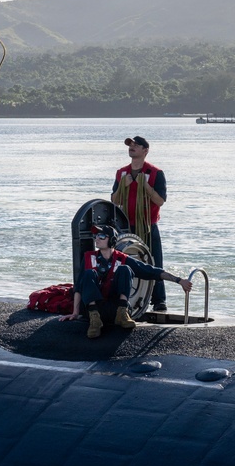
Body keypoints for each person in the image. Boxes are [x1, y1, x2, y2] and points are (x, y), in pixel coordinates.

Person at [59, 224, 191, 338]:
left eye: (102, 236)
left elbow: (151, 271)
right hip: (95, 309)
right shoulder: (89, 257)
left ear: (112, 241)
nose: (97, 239)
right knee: (88, 274)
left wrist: (179, 280)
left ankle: (122, 313)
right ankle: (95, 320)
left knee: (125, 269)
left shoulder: (122, 258)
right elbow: (79, 287)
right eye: (96, 236)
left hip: (114, 307)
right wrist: (75, 313)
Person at [111, 136, 168, 311]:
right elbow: (114, 200)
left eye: (136, 145)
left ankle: (158, 300)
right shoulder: (121, 173)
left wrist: (146, 187)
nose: (132, 147)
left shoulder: (156, 173)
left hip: (148, 225)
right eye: (130, 145)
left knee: (154, 261)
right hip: (126, 226)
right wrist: (124, 186)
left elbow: (160, 201)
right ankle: (126, 299)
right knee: (124, 262)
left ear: (145, 150)